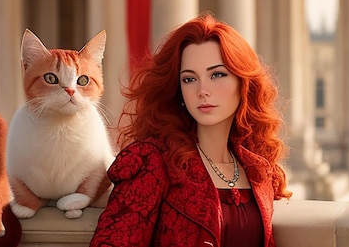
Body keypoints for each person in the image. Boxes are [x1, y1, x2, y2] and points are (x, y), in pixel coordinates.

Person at [90, 13, 291, 247]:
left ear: (243, 83)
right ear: (179, 91)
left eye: (217, 75)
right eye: (189, 79)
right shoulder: (151, 162)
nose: (202, 90)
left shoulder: (258, 171)